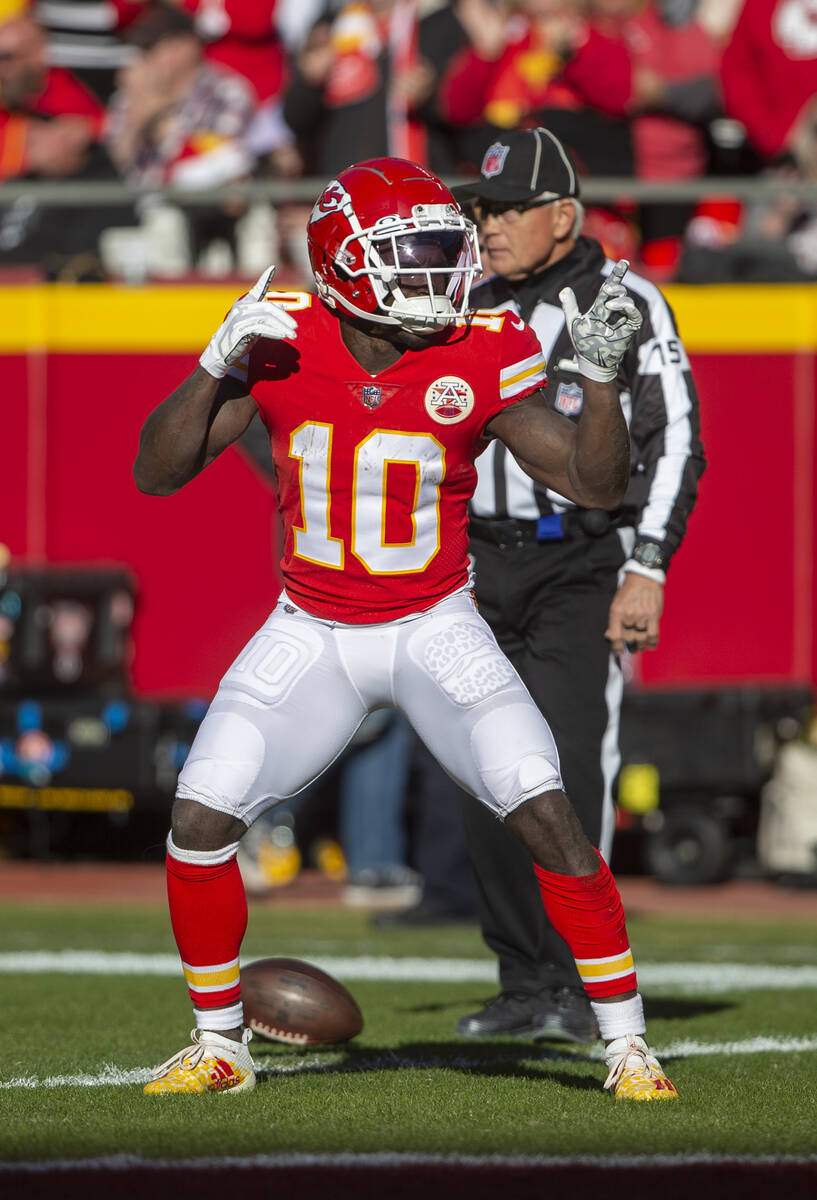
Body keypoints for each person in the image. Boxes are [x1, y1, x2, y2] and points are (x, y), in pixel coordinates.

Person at [133, 153, 678, 1101]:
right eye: (414, 251)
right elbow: (156, 473)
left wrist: (594, 380)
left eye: (442, 248)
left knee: (548, 813)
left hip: (435, 623)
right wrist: (212, 364)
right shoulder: (284, 338)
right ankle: (221, 1043)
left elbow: (594, 483)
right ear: (344, 263)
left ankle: (627, 1044)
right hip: (313, 629)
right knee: (196, 818)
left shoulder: (478, 341)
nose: (440, 271)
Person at [390, 127, 703, 1044]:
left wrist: (645, 565)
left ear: (563, 216)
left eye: (505, 209)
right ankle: (522, 977)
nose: (485, 226)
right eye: (479, 209)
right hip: (474, 562)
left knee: (566, 768)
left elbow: (675, 437)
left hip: (578, 558)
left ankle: (578, 980)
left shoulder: (624, 298)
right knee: (480, 768)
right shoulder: (465, 304)